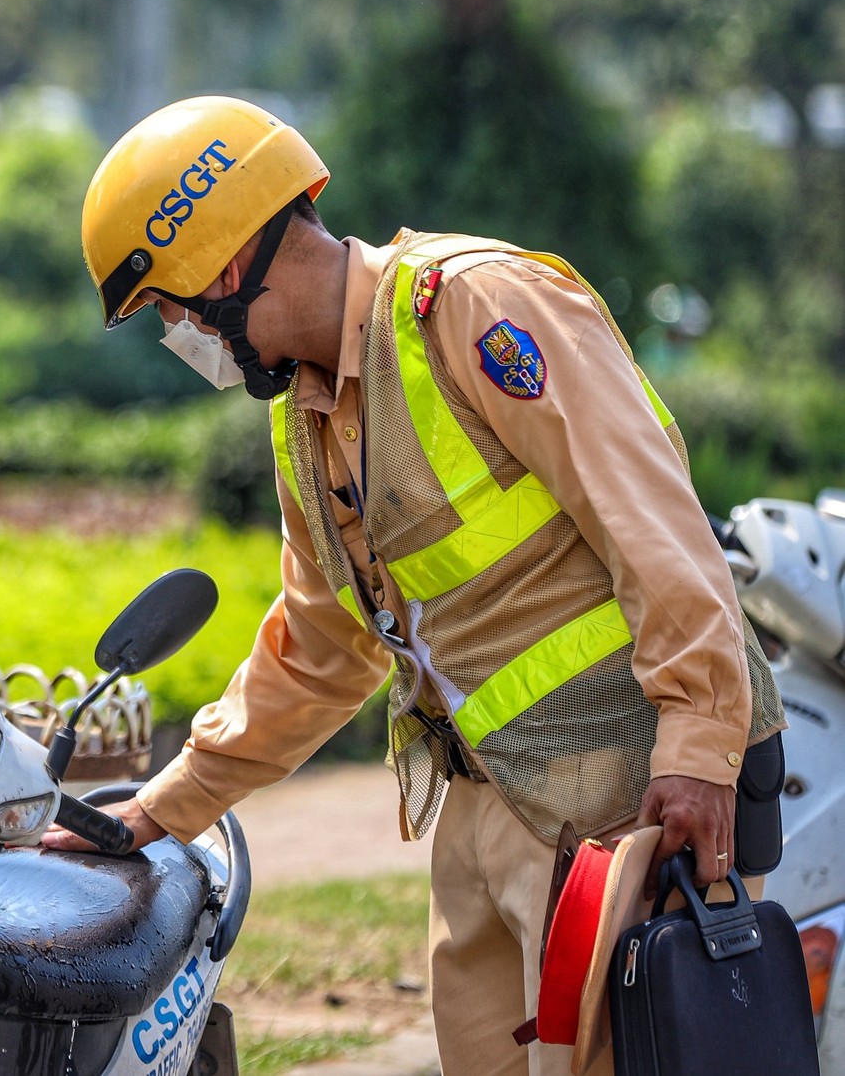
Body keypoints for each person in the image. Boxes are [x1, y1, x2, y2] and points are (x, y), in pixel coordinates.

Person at [54, 96, 784, 1076]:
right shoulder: (303, 419)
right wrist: (157, 810)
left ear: (222, 268)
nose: (175, 337)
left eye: (170, 309)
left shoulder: (477, 309)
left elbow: (654, 528)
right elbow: (316, 654)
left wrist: (699, 748)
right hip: (488, 811)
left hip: (633, 807)